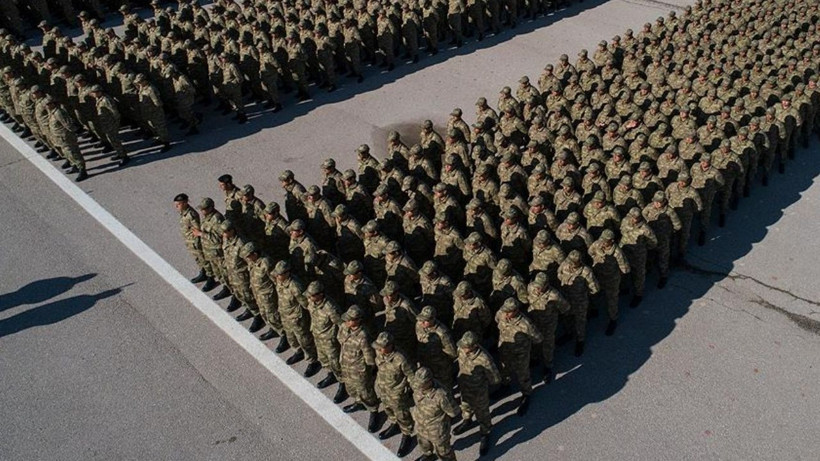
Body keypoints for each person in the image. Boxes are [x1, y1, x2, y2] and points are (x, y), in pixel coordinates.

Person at [454, 331, 501, 456]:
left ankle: (485, 432)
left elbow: (495, 378)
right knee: (465, 405)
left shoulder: (484, 359)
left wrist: (482, 384)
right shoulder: (461, 349)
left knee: (482, 413)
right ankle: (467, 419)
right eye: (462, 346)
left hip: (479, 391)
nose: (463, 349)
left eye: (466, 347)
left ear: (474, 346)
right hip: (464, 386)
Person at [496, 298, 542, 416]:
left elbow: (537, 338)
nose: (506, 314)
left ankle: (526, 394)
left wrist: (526, 348)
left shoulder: (525, 324)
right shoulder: (501, 313)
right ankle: (505, 386)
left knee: (523, 374)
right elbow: (497, 320)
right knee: (504, 369)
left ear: (516, 310)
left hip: (520, 354)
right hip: (505, 350)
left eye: (509, 312)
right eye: (505, 311)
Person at [372, 332, 415, 457]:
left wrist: (411, 391)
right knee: (388, 409)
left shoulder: (400, 359)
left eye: (382, 347)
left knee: (402, 414)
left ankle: (407, 434)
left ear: (390, 345)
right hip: (383, 389)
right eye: (378, 347)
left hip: (397, 393)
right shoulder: (379, 352)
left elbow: (411, 375)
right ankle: (394, 424)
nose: (380, 350)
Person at [411, 367, 459, 461]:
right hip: (420, 425)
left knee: (444, 452)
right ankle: (428, 455)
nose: (418, 386)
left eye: (422, 384)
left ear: (429, 381)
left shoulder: (441, 395)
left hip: (436, 430)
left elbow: (454, 412)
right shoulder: (416, 386)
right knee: (424, 444)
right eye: (417, 383)